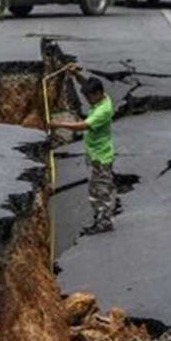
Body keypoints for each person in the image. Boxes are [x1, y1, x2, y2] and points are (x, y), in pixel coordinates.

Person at [49, 77, 117, 235]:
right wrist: (77, 74)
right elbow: (87, 84)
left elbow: (83, 126)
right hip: (94, 155)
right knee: (95, 190)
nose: (87, 100)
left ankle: (104, 221)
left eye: (89, 97)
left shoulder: (103, 110)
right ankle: (99, 219)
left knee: (101, 190)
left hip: (101, 157)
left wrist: (58, 124)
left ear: (98, 93)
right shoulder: (102, 98)